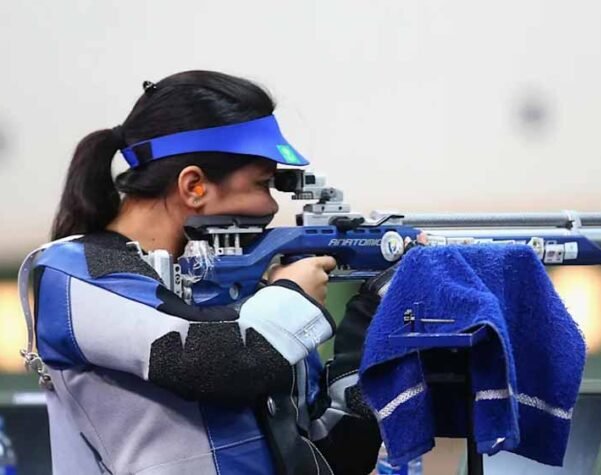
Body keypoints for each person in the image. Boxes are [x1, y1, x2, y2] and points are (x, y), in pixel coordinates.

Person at [22, 70, 392, 475]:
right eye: (262, 184)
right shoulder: (73, 273)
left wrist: (373, 321)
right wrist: (292, 295)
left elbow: (336, 454)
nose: (271, 207)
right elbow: (211, 360)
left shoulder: (254, 311)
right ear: (194, 186)